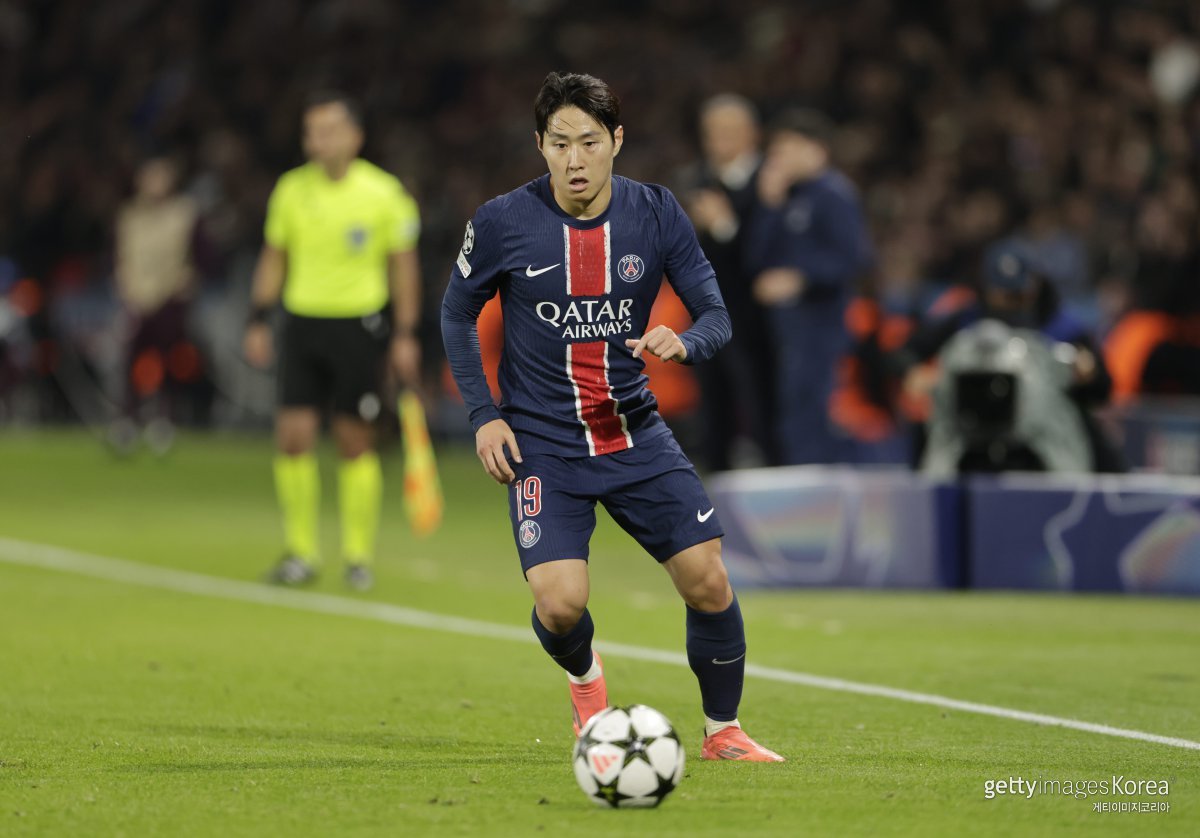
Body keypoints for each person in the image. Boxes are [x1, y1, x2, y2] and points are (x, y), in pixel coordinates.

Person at [441, 71, 783, 762]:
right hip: (540, 443)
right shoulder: (504, 220)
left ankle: (724, 732)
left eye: (589, 142)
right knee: (559, 604)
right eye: (560, 143)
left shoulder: (655, 213)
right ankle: (588, 688)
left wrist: (684, 342)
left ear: (616, 141)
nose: (574, 160)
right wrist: (484, 414)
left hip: (632, 431)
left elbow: (717, 313)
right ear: (539, 145)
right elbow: (456, 311)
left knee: (708, 578)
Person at [244, 91, 422, 592]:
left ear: (354, 136)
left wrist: (406, 333)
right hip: (302, 324)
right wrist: (258, 316)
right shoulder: (290, 190)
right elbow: (274, 257)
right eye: (310, 131)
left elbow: (403, 270)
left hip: (358, 326)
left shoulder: (384, 194)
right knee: (293, 437)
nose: (317, 140)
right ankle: (301, 551)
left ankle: (357, 554)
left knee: (353, 441)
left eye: (327, 130)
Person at [744, 109, 874, 465]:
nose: (777, 158)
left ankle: (821, 487)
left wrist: (800, 277)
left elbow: (853, 259)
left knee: (816, 408)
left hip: (823, 324)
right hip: (787, 327)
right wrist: (769, 206)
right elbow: (755, 260)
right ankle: (799, 484)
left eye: (785, 148)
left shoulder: (834, 194)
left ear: (814, 149)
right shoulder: (786, 197)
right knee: (791, 408)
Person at [680, 94, 778, 470]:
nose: (720, 141)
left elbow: (767, 250)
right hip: (706, 311)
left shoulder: (770, 181)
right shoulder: (696, 180)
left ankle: (771, 472)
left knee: (757, 397)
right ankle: (714, 482)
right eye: (713, 133)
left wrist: (724, 225)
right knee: (713, 399)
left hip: (755, 316)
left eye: (730, 132)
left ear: (752, 134)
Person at [112, 155, 201, 452]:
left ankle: (164, 420)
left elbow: (200, 255)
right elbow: (122, 257)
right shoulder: (130, 216)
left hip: (170, 298)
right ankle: (128, 420)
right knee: (132, 361)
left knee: (170, 361)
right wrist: (129, 290)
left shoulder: (183, 213)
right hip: (137, 298)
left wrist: (184, 282)